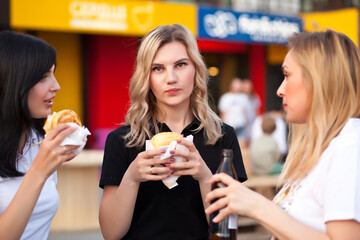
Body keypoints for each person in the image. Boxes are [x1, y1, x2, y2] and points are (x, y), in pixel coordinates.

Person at [205, 29, 360, 239]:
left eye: (287, 75)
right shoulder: (324, 146)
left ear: (319, 79)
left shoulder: (349, 147)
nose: (280, 90)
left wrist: (258, 206)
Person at [98, 24, 247, 240]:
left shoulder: (223, 136)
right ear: (146, 77)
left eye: (180, 65)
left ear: (196, 68)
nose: (171, 78)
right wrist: (132, 177)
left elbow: (228, 230)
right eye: (158, 68)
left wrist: (205, 175)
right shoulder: (122, 139)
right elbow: (111, 233)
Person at [0, 31, 80, 239]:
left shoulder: (39, 138)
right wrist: (39, 171)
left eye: (53, 74)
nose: (57, 86)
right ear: (14, 82)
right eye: (44, 77)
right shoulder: (41, 157)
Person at [218, 78, 249, 146]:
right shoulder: (225, 97)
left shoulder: (244, 97)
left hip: (241, 125)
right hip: (229, 125)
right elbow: (223, 113)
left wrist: (247, 128)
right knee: (229, 145)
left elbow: (245, 113)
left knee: (241, 146)